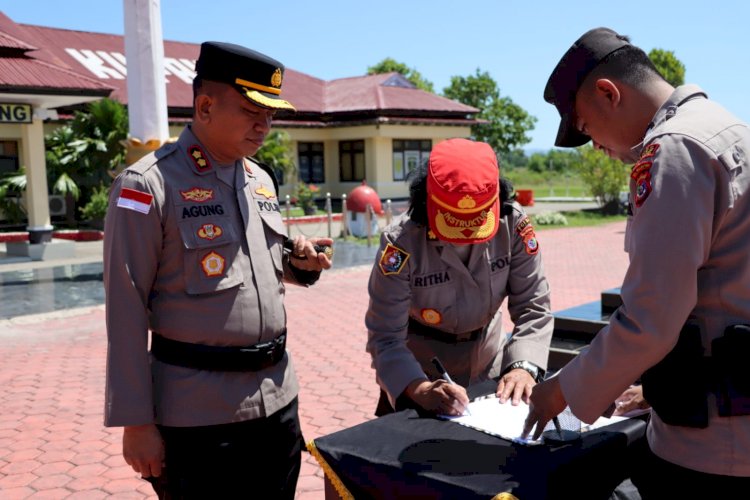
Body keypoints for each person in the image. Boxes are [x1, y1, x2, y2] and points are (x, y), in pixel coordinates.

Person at [523, 27, 750, 497]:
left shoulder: (675, 149)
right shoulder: (728, 129)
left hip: (714, 442)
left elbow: (651, 315)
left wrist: (562, 389)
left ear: (608, 94)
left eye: (586, 129)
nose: (598, 148)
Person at [103, 41, 333, 499]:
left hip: (277, 401)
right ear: (205, 106)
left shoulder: (259, 179)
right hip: (199, 417)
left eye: (270, 115)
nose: (264, 125)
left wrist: (298, 263)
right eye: (252, 111)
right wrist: (136, 422)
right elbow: (125, 308)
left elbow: (255, 263)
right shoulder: (148, 185)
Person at [366, 138, 553, 417]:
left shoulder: (511, 224)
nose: (466, 234)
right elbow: (385, 335)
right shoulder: (402, 242)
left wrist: (523, 366)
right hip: (422, 370)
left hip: (490, 364)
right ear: (429, 201)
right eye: (453, 221)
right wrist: (419, 388)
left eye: (476, 221)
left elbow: (533, 306)